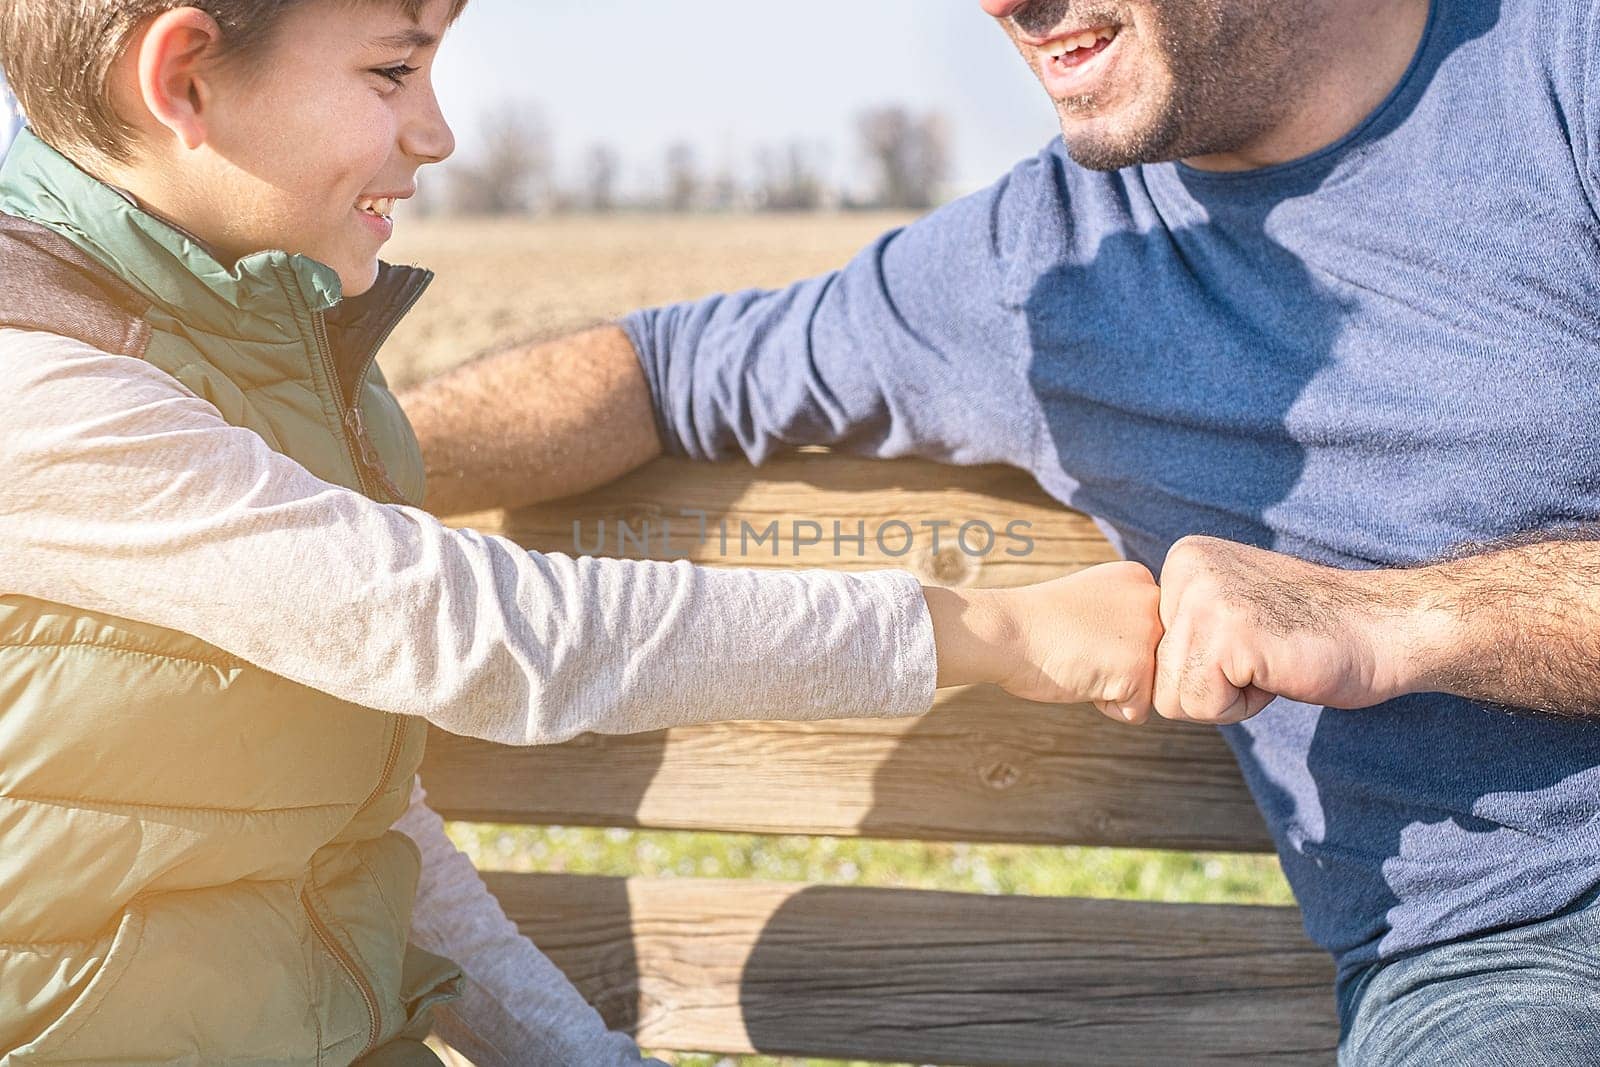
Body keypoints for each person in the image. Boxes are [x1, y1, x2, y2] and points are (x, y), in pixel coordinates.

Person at [398, 1, 1600, 1064]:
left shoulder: (1560, 76)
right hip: (1515, 962)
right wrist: (263, 472)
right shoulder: (1038, 269)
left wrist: (1398, 619)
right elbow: (658, 376)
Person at [0, 1, 1167, 1064]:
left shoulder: (282, 365)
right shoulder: (38, 382)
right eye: (393, 71)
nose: (437, 132)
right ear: (184, 77)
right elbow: (479, 632)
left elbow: (363, 824)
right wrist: (995, 626)